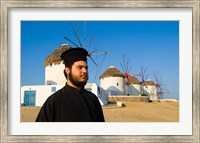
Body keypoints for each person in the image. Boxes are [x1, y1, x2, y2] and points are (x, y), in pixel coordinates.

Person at [36, 48, 105, 122]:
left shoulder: (93, 99)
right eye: (80, 67)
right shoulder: (53, 102)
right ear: (67, 70)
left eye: (86, 68)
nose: (85, 71)